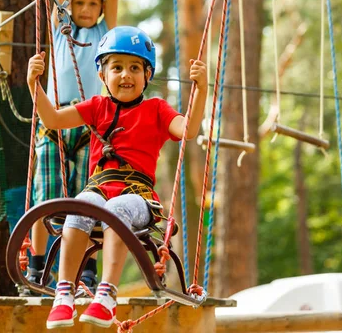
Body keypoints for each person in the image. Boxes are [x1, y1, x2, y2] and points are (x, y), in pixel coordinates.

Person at [26, 26, 208, 329]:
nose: (126, 75)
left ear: (147, 75)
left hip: (138, 199)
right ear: (102, 75)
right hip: (98, 190)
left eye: (135, 68)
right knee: (81, 205)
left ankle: (106, 295)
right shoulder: (98, 107)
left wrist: (201, 89)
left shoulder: (156, 110)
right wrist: (35, 85)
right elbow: (53, 120)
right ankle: (63, 294)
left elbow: (187, 130)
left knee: (115, 209)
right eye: (117, 67)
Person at [25, 0, 119, 296]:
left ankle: (87, 270)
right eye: (79, 3)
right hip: (55, 124)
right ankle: (36, 267)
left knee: (87, 200)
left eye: (92, 4)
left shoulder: (103, 34)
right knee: (43, 200)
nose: (84, 9)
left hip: (88, 127)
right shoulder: (60, 28)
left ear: (101, 6)